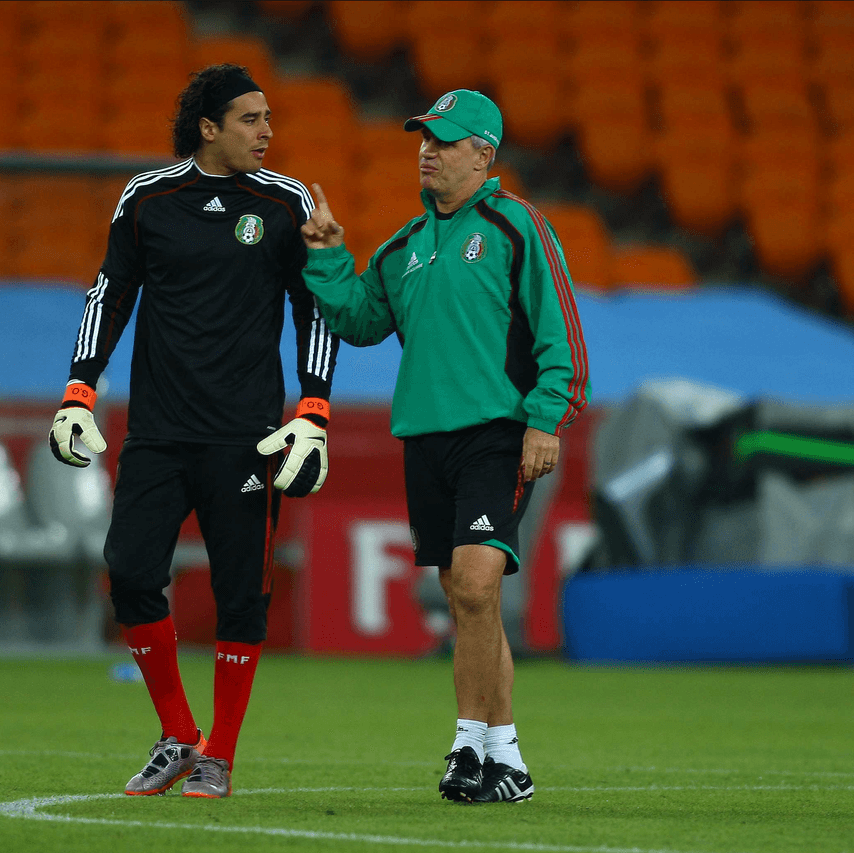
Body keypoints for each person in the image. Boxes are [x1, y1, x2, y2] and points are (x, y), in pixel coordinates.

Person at [48, 64, 340, 799]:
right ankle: (179, 732)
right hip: (156, 429)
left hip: (246, 435)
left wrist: (314, 407)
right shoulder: (148, 198)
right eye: (250, 119)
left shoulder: (287, 202)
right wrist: (81, 384)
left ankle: (221, 753)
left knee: (242, 593)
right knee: (131, 571)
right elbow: (110, 290)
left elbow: (318, 309)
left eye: (269, 118)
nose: (267, 131)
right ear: (208, 127)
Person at [299, 89, 590, 804]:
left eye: (444, 140)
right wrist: (332, 257)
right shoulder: (403, 246)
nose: (426, 151)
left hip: (498, 434)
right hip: (426, 439)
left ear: (483, 154)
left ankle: (468, 745)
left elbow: (562, 335)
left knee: (474, 583)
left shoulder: (517, 225)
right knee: (468, 600)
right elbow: (361, 320)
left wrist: (546, 419)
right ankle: (505, 760)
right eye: (423, 139)